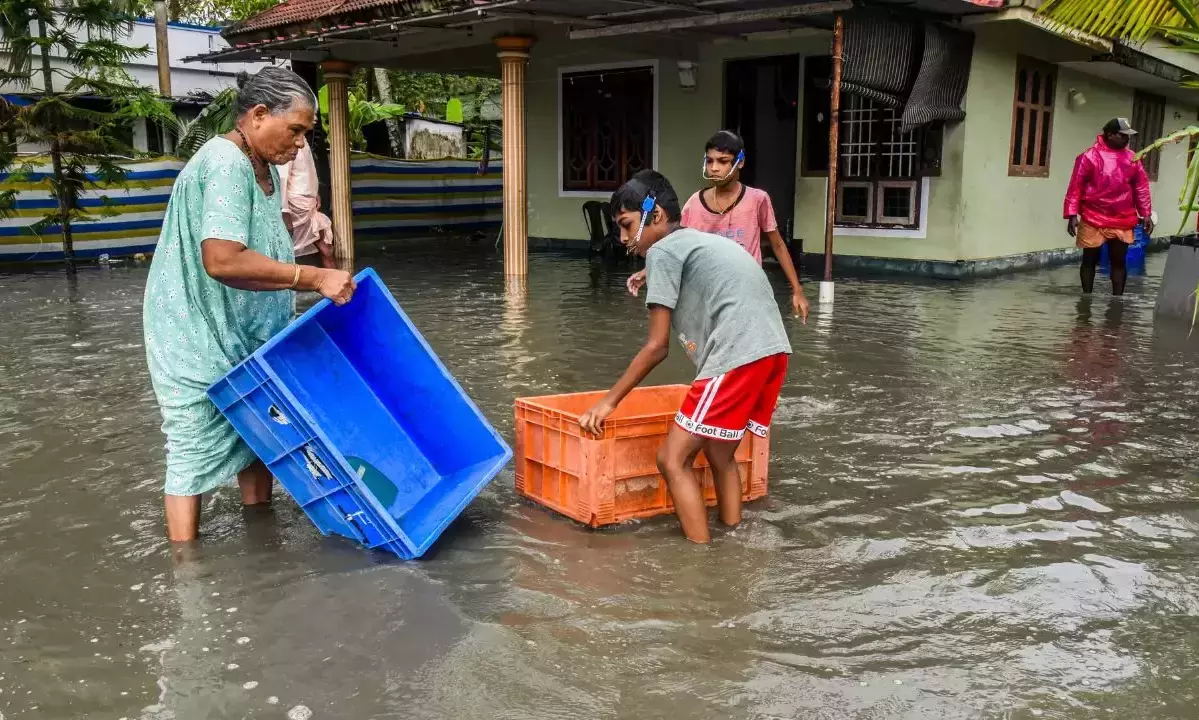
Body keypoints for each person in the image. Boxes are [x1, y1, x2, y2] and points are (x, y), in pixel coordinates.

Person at [143, 67, 357, 543]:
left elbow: (257, 245)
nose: (300, 144)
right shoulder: (225, 163)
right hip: (198, 332)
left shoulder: (262, 166)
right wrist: (313, 276)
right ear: (259, 115)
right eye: (296, 129)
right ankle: (186, 567)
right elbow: (221, 259)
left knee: (260, 433)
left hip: (244, 328)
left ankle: (260, 535)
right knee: (193, 440)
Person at [580, 170, 792, 544]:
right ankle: (733, 538)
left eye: (627, 226)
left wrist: (608, 403)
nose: (624, 238)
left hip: (737, 355)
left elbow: (657, 346)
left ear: (656, 215)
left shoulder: (662, 252)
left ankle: (701, 562)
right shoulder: (694, 240)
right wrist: (652, 270)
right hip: (772, 351)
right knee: (719, 453)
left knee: (671, 459)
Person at [627, 130, 808, 322]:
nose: (714, 168)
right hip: (707, 298)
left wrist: (797, 290)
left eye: (722, 161)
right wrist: (649, 271)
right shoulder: (695, 203)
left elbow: (777, 245)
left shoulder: (757, 200)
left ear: (740, 162)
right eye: (710, 161)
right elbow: (675, 247)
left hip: (747, 296)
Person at [1064, 117, 1154, 296]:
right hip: (1092, 216)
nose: (1127, 139)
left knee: (1119, 261)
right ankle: (1086, 300)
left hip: (1122, 217)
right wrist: (1072, 214)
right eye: (1122, 135)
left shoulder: (1133, 159)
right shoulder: (1089, 157)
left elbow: (1141, 188)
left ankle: (1117, 302)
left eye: (1128, 136)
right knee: (1089, 259)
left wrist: (1146, 214)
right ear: (1110, 134)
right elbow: (1076, 186)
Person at [278, 141, 336, 268]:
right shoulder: (288, 140)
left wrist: (315, 193)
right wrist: (285, 210)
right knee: (287, 251)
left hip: (308, 204)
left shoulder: (302, 139)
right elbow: (282, 177)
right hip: (296, 206)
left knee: (326, 248)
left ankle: (336, 283)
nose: (315, 119)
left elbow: (306, 172)